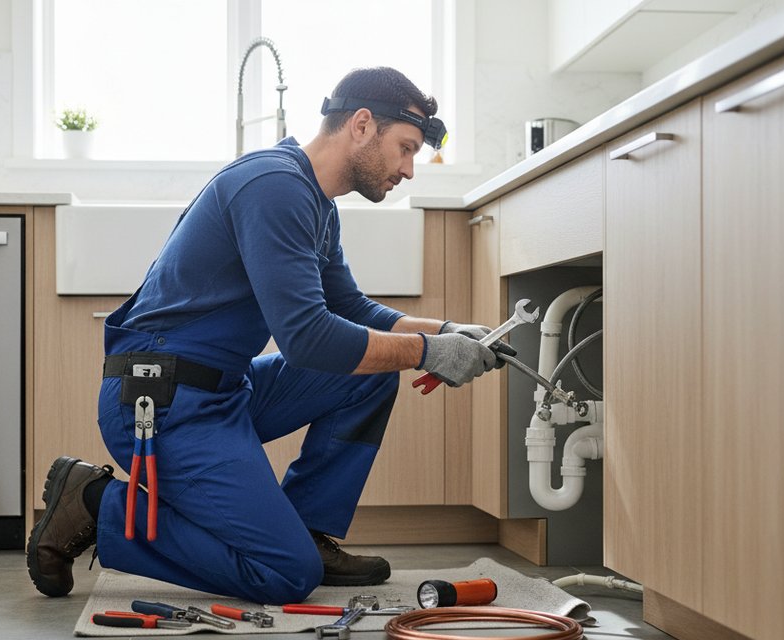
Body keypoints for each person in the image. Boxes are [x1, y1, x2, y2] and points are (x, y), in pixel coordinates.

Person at [27, 67, 505, 606]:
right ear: (363, 125)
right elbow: (308, 339)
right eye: (405, 148)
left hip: (223, 389)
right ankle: (95, 503)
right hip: (163, 399)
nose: (409, 169)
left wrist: (447, 331)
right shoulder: (274, 187)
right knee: (284, 576)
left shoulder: (315, 202)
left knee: (368, 380)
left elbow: (348, 307)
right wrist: (429, 352)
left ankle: (305, 532)